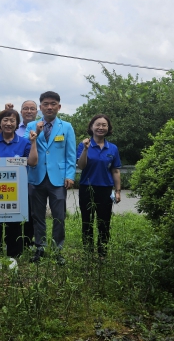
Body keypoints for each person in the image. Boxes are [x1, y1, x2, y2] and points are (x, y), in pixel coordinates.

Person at [24, 91, 76, 265]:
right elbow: (24, 145)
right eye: (45, 104)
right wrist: (37, 133)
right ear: (40, 107)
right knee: (37, 215)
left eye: (53, 104)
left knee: (59, 216)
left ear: (59, 106)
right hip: (36, 176)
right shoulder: (32, 125)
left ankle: (57, 249)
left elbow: (70, 154)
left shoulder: (66, 127)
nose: (49, 107)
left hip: (58, 179)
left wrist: (70, 175)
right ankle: (40, 247)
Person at [0, 109, 38, 270]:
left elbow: (32, 162)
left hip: (17, 190)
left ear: (17, 123)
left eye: (12, 120)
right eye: (5, 120)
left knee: (14, 222)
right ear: (0, 123)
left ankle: (13, 255)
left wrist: (33, 142)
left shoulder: (24, 142)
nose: (9, 123)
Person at [76, 114, 122, 258]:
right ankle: (88, 253)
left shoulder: (112, 148)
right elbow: (81, 166)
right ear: (91, 127)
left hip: (105, 189)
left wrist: (118, 191)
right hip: (87, 188)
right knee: (87, 221)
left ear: (108, 128)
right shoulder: (83, 145)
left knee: (104, 222)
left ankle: (102, 253)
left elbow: (115, 170)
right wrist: (85, 149)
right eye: (98, 124)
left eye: (104, 125)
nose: (101, 127)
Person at [5, 100, 39, 247]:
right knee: (12, 210)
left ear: (37, 111)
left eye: (32, 109)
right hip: (12, 178)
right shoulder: (13, 127)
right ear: (21, 111)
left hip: (33, 176)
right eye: (26, 108)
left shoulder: (40, 126)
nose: (29, 111)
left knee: (31, 211)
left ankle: (28, 240)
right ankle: (12, 241)